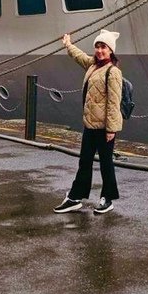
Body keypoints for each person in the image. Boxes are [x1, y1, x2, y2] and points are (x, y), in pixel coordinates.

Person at [53, 29, 124, 215]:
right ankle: (75, 197)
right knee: (84, 162)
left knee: (106, 163)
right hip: (90, 125)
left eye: (104, 47)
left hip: (104, 127)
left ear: (111, 51)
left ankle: (107, 199)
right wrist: (68, 45)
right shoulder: (93, 66)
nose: (99, 50)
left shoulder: (113, 72)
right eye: (98, 46)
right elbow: (80, 57)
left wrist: (111, 129)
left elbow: (113, 103)